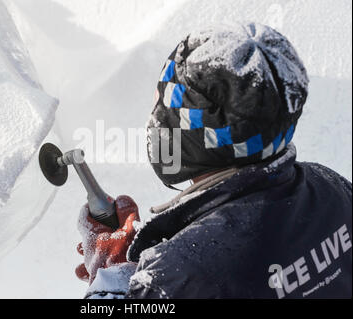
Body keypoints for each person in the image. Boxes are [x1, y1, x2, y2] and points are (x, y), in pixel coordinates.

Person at [74, 23, 352, 299]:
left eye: (163, 102)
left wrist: (112, 277)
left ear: (187, 132)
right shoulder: (330, 189)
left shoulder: (178, 277)